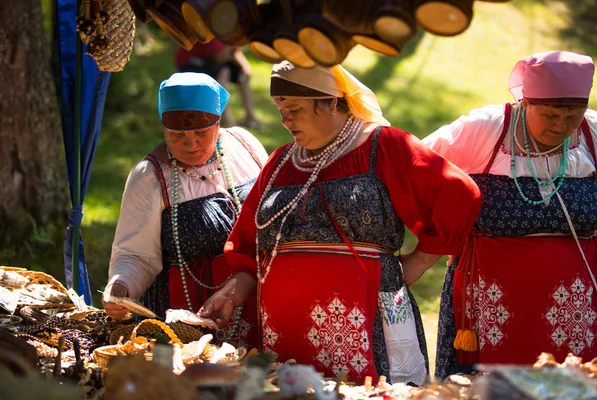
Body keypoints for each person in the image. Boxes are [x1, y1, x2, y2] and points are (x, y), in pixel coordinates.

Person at [199, 61, 482, 384]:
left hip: (365, 320)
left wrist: (417, 262)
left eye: (294, 108)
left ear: (332, 101)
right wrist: (231, 295)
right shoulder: (280, 163)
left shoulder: (384, 146)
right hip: (288, 328)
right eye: (280, 109)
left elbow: (459, 194)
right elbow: (250, 248)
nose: (284, 119)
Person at [423, 51, 597, 380]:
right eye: (549, 115)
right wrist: (444, 234)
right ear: (526, 103)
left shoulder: (593, 133)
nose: (560, 126)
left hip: (573, 306)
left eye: (572, 115)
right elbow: (415, 168)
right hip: (491, 301)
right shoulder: (488, 128)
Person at [102, 72, 269, 348]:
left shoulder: (244, 146)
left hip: (254, 302)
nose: (190, 144)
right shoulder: (151, 176)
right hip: (185, 321)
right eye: (177, 135)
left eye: (201, 133)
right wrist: (121, 287)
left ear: (218, 122)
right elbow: (135, 255)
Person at [176, 39, 260, 129]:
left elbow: (234, 52)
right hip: (192, 63)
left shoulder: (229, 31)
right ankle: (228, 120)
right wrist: (235, 43)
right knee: (224, 72)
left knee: (242, 74)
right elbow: (219, 57)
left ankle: (250, 117)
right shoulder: (214, 29)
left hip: (213, 60)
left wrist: (244, 67)